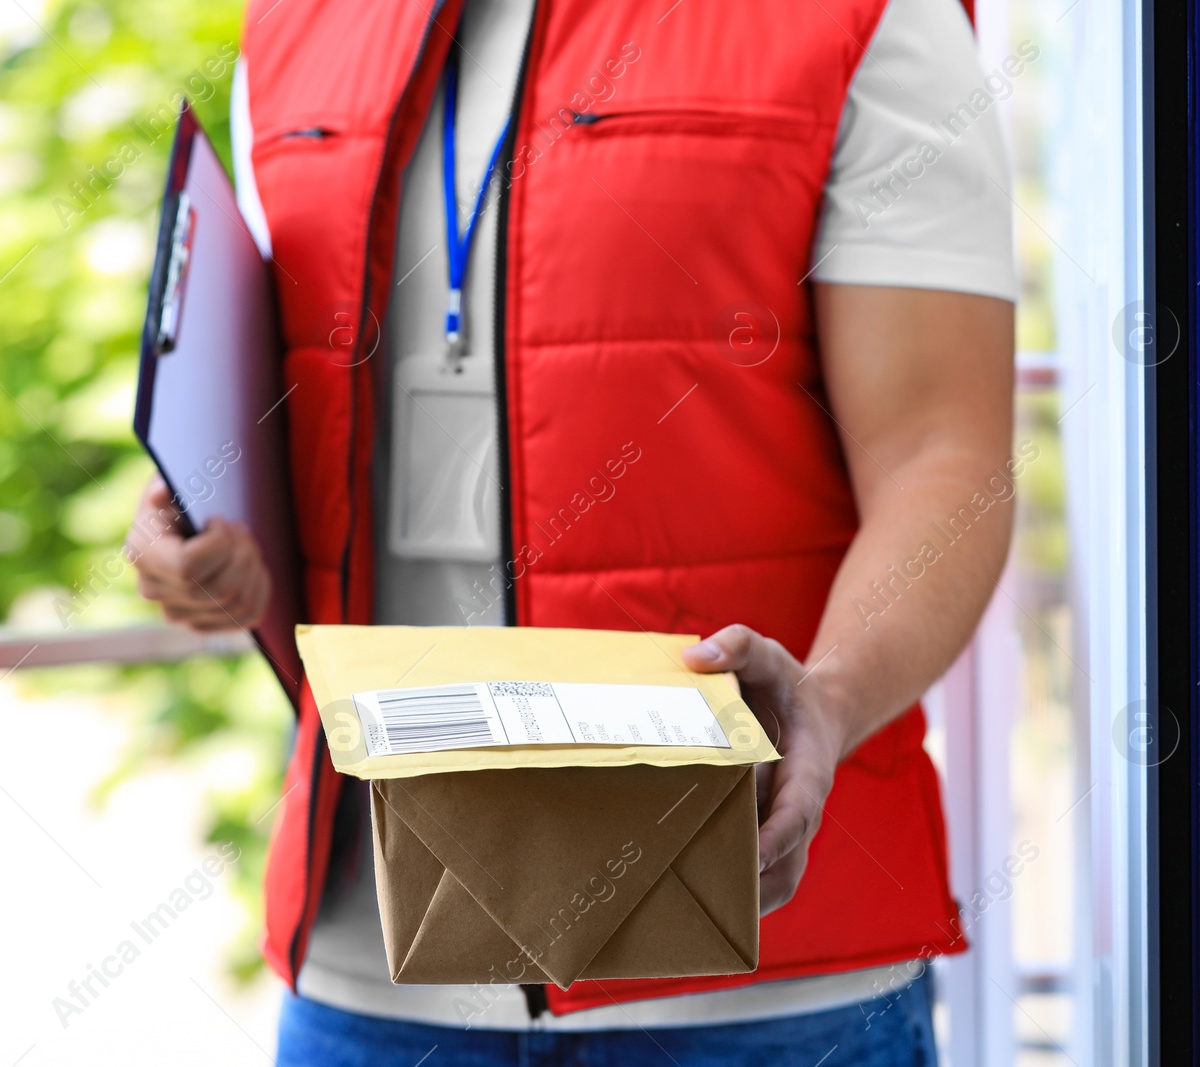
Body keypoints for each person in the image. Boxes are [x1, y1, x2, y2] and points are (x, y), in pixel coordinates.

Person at [130, 0, 1018, 1061]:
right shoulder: (293, 26)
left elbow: (944, 463)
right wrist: (199, 532)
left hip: (759, 989)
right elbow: (282, 414)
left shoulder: (866, 18)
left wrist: (827, 698)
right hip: (373, 980)